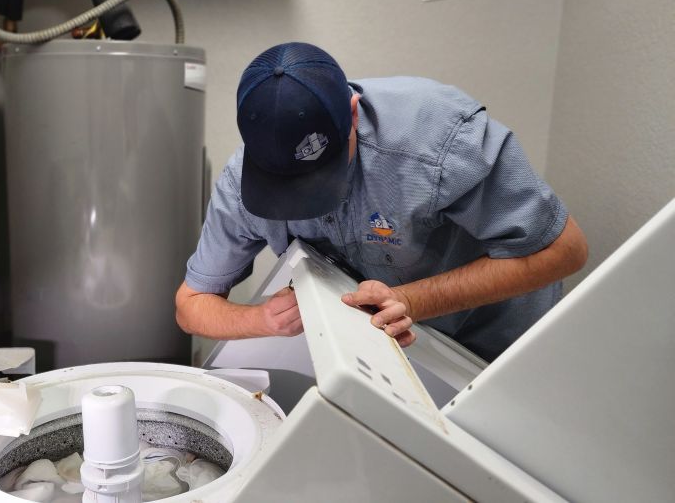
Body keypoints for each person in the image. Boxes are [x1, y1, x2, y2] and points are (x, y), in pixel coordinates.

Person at [174, 42, 588, 361]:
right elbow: (191, 306)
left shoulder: (437, 139)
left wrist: (413, 299)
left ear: (353, 112)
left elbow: (566, 250)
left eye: (321, 176)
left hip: (502, 347)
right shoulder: (239, 182)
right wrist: (260, 319)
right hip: (392, 357)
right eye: (287, 185)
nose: (310, 205)